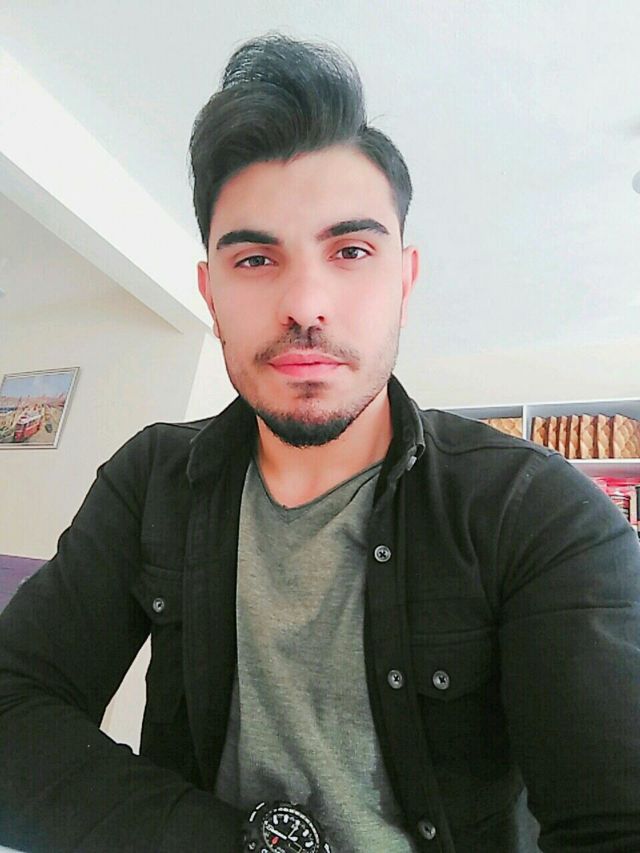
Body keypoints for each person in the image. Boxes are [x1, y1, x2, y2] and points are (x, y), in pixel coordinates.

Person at [1, 33, 640, 853]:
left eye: (351, 251)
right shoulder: (150, 479)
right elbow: (13, 704)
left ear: (404, 279)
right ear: (210, 293)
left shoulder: (538, 510)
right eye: (255, 258)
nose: (306, 302)